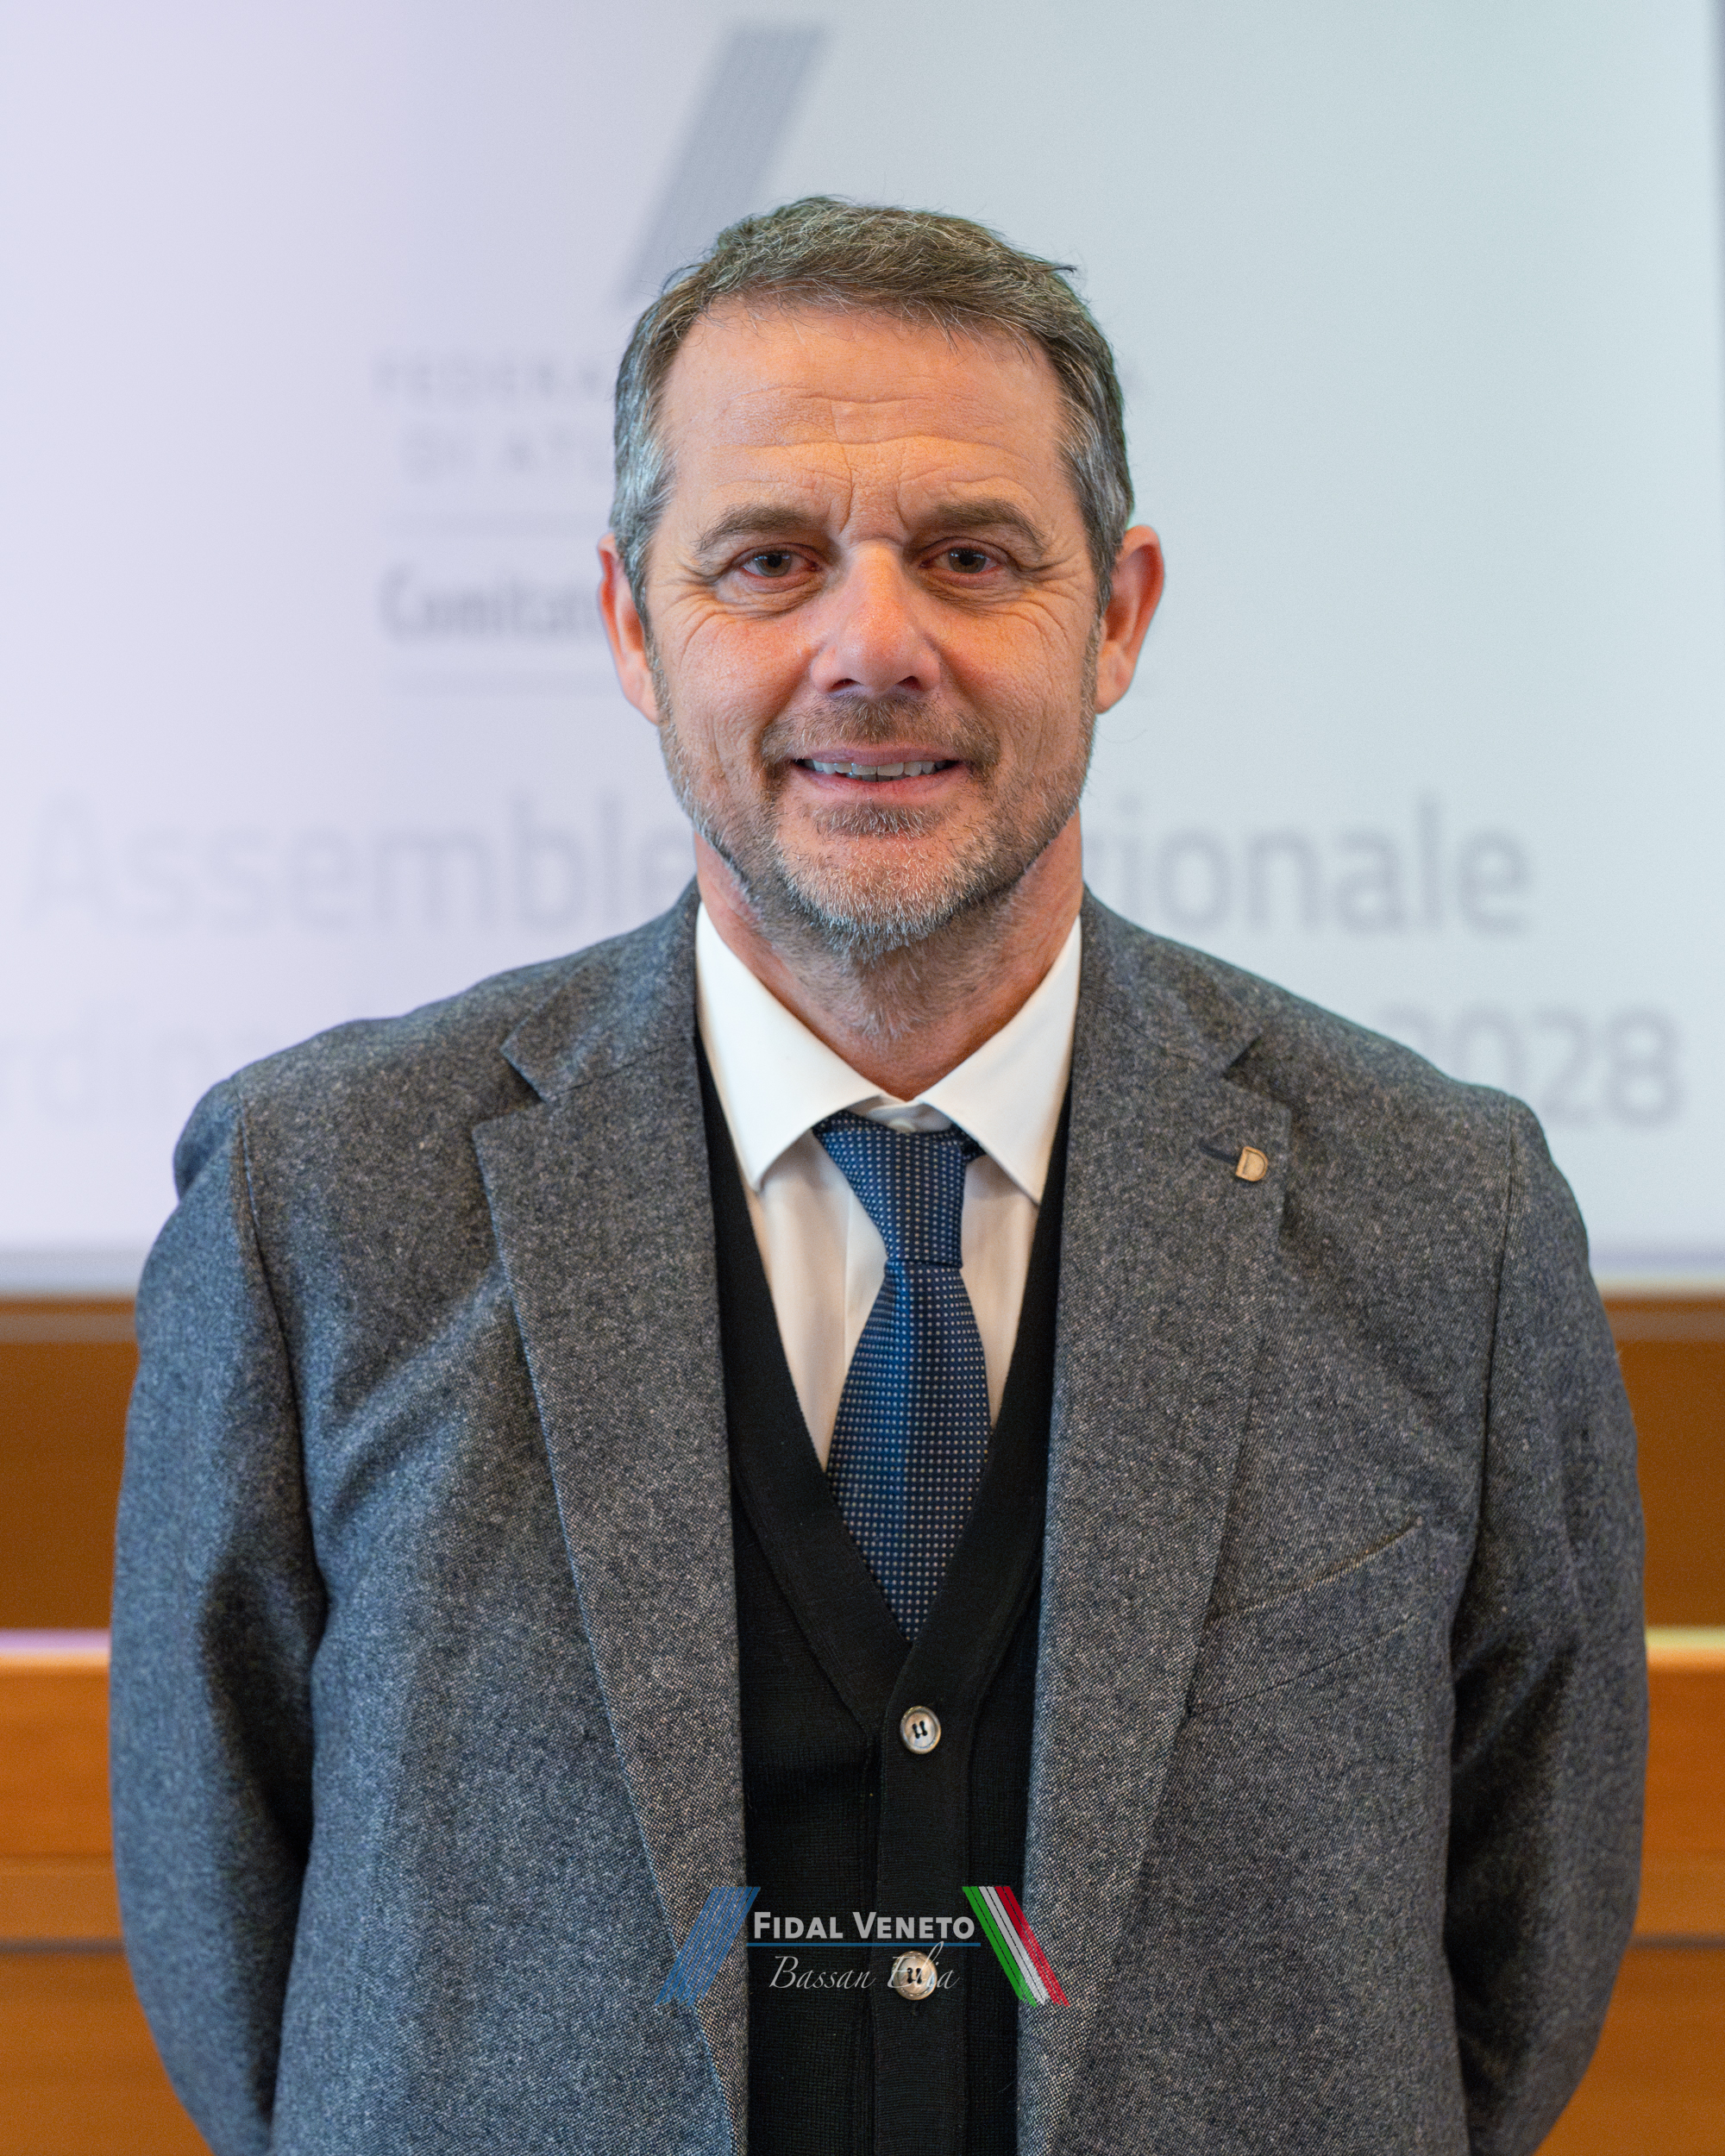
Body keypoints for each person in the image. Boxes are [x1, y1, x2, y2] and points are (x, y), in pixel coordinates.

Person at [112, 198, 1645, 2156]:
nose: (871, 647)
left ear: (1115, 617)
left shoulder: (1449, 1214)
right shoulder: (316, 1203)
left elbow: (1519, 1958)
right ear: (630, 625)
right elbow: (226, 1947)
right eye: (768, 561)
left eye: (971, 557)